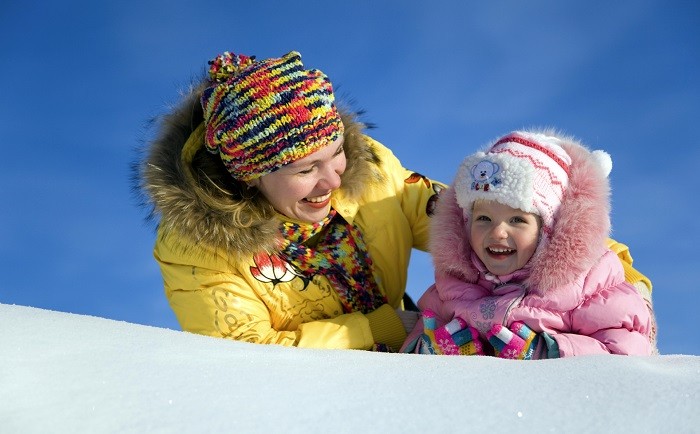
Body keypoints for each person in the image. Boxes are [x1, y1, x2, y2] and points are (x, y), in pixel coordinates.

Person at [136, 50, 443, 351]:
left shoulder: (370, 166)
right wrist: (377, 329)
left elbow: (456, 219)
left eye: (336, 152)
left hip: (409, 351)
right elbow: (246, 352)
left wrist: (487, 196)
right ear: (249, 174)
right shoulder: (196, 249)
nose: (333, 182)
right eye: (306, 169)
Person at [400, 130, 655, 358]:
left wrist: (551, 352)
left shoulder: (585, 283)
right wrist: (429, 350)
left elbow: (625, 349)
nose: (498, 231)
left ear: (548, 230)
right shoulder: (452, 284)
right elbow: (416, 341)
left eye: (517, 220)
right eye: (484, 218)